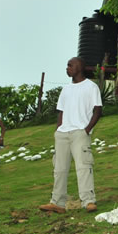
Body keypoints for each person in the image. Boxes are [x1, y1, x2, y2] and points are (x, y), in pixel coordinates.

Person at [39, 57, 102, 214]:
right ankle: (58, 203)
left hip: (80, 133)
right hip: (62, 134)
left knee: (83, 166)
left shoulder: (91, 87)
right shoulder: (65, 89)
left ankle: (88, 201)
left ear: (79, 67)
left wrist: (86, 130)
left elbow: (98, 110)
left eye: (70, 65)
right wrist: (58, 130)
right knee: (59, 169)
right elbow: (61, 111)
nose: (67, 68)